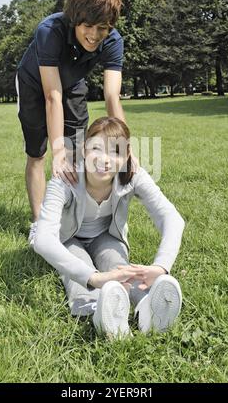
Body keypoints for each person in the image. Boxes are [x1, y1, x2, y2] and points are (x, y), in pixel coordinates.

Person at [33, 117, 185, 338]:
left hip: (105, 235)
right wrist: (94, 278)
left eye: (115, 151)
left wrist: (161, 267)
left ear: (127, 155)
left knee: (118, 267)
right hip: (66, 238)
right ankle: (96, 312)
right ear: (84, 149)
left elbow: (171, 217)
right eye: (96, 148)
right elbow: (43, 239)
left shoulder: (132, 175)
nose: (105, 160)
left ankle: (146, 306)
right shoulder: (66, 177)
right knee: (81, 267)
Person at [15, 0, 134, 246]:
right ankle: (39, 225)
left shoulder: (114, 41)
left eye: (102, 28)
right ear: (75, 19)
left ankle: (71, 217)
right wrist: (57, 152)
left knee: (79, 149)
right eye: (88, 26)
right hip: (36, 85)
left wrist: (123, 148)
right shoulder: (50, 30)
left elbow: (112, 95)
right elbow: (51, 95)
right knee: (39, 153)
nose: (94, 35)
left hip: (73, 84)